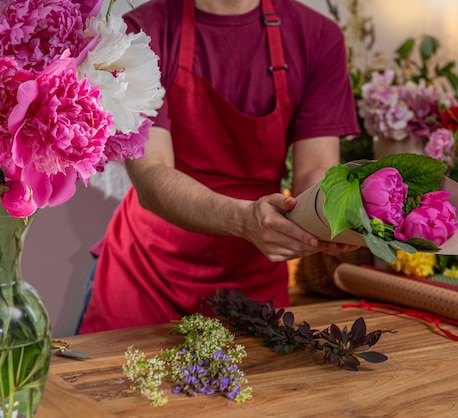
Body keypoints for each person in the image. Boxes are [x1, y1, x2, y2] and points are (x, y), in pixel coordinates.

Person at [77, 0, 360, 333]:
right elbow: (153, 175)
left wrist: (340, 215)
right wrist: (243, 220)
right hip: (146, 277)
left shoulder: (317, 37)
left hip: (252, 280)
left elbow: (316, 170)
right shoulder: (138, 34)